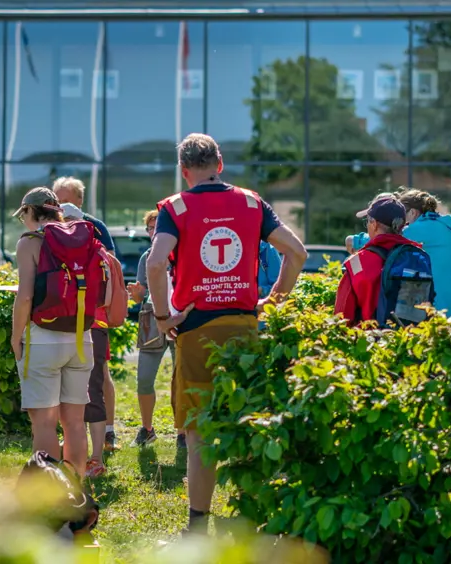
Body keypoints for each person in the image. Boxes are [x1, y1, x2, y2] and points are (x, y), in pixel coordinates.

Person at [147, 133, 306, 535]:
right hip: (244, 327)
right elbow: (297, 252)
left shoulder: (175, 207)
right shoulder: (253, 203)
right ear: (220, 163)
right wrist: (274, 297)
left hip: (196, 328)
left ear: (185, 172)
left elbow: (154, 263)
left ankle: (197, 526)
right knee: (247, 422)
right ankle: (249, 520)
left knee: (200, 433)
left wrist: (164, 316)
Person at [11, 187, 93, 477]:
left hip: (42, 339)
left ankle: (49, 494)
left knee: (44, 422)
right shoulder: (81, 237)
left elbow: (25, 297)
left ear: (31, 211)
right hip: (81, 337)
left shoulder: (30, 243)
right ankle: (77, 487)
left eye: (23, 215)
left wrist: (14, 336)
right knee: (74, 422)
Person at [53, 176, 119, 469]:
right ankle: (79, 452)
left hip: (90, 323)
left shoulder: (97, 242)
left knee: (93, 385)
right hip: (69, 323)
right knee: (68, 389)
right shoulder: (50, 237)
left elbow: (110, 285)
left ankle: (97, 450)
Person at [334, 195, 432, 327]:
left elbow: (341, 318)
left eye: (367, 222)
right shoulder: (418, 256)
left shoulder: (357, 263)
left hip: (370, 343)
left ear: (374, 224)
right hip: (409, 342)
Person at [128, 210, 179, 448]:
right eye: (150, 228)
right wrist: (139, 296)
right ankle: (147, 429)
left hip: (181, 321)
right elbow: (142, 296)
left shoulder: (183, 253)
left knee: (182, 380)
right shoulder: (146, 257)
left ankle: (183, 432)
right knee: (144, 380)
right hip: (151, 320)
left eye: (158, 226)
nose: (153, 231)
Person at [394, 189, 451, 316]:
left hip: (444, 307)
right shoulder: (443, 224)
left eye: (402, 216)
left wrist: (355, 240)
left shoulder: (422, 227)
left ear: (412, 212)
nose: (401, 224)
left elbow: (388, 238)